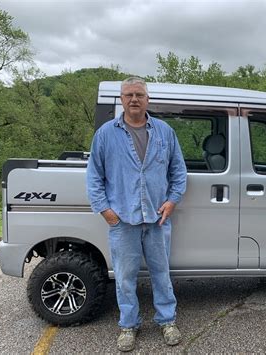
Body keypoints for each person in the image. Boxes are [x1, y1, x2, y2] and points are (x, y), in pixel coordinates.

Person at [86, 77, 187, 352]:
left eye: (139, 94)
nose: (134, 99)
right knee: (125, 278)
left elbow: (178, 171)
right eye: (129, 94)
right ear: (121, 99)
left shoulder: (165, 132)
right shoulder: (106, 134)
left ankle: (167, 321)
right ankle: (128, 326)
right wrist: (106, 211)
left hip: (157, 219)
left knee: (161, 274)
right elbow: (94, 176)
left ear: (147, 99)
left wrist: (172, 201)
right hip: (123, 221)